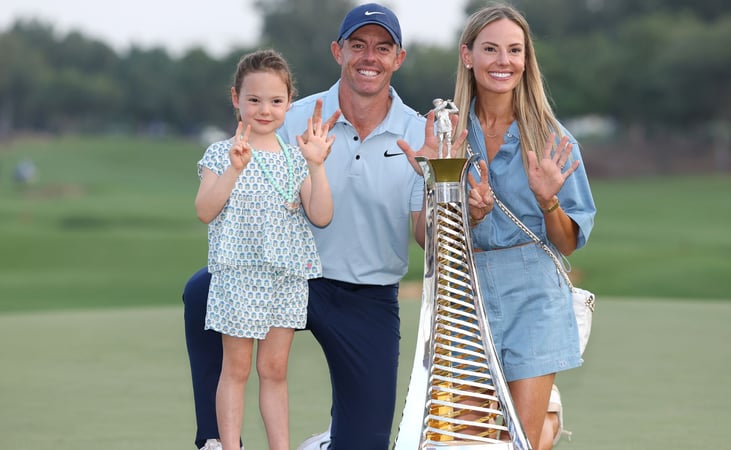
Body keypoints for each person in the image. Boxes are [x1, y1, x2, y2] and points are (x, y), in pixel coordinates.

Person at [183, 3, 435, 449]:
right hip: (294, 277)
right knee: (203, 289)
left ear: (399, 58)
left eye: (382, 48)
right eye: (358, 45)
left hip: (368, 296)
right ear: (338, 51)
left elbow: (423, 237)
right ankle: (217, 440)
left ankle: (324, 443)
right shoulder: (288, 115)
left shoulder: (419, 134)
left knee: (364, 444)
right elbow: (229, 187)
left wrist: (436, 184)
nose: (369, 57)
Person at [400, 4, 596, 449]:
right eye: (490, 49)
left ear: (526, 59)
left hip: (534, 294)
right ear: (467, 55)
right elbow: (425, 239)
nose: (503, 61)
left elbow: (568, 242)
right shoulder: (443, 136)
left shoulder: (553, 138)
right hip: (465, 294)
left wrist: (548, 201)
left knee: (518, 440)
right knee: (471, 440)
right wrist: (463, 211)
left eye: (514, 50)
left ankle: (541, 426)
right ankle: (548, 425)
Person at [194, 49, 334, 450]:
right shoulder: (221, 154)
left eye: (275, 100)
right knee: (236, 370)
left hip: (285, 279)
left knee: (274, 371)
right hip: (238, 276)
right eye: (254, 99)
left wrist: (317, 165)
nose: (265, 109)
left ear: (289, 103)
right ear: (236, 98)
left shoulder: (295, 158)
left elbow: (321, 215)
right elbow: (205, 210)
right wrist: (234, 169)